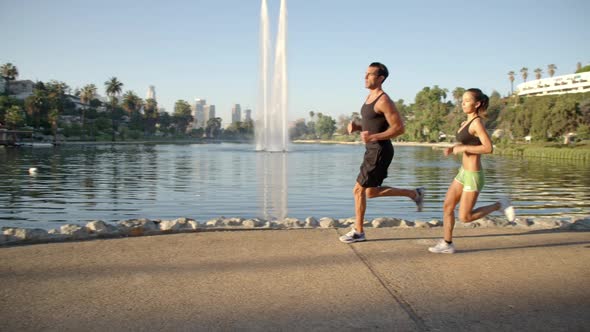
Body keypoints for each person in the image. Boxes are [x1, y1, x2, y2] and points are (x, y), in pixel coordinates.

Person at [339, 62, 425, 244]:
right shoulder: (370, 97)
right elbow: (373, 125)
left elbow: (399, 128)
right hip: (372, 149)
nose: (365, 77)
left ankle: (358, 232)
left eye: (370, 74)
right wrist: (358, 127)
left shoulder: (384, 100)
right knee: (370, 192)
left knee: (358, 190)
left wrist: (374, 136)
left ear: (380, 78)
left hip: (379, 151)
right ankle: (413, 194)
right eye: (365, 73)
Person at [428, 88, 515, 254]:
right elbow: (468, 144)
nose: (463, 103)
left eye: (467, 100)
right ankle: (447, 243)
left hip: (473, 175)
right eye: (462, 100)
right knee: (447, 206)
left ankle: (500, 204)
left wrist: (463, 148)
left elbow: (488, 148)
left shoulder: (477, 122)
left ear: (477, 104)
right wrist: (454, 148)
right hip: (463, 172)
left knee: (465, 217)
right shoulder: (465, 123)